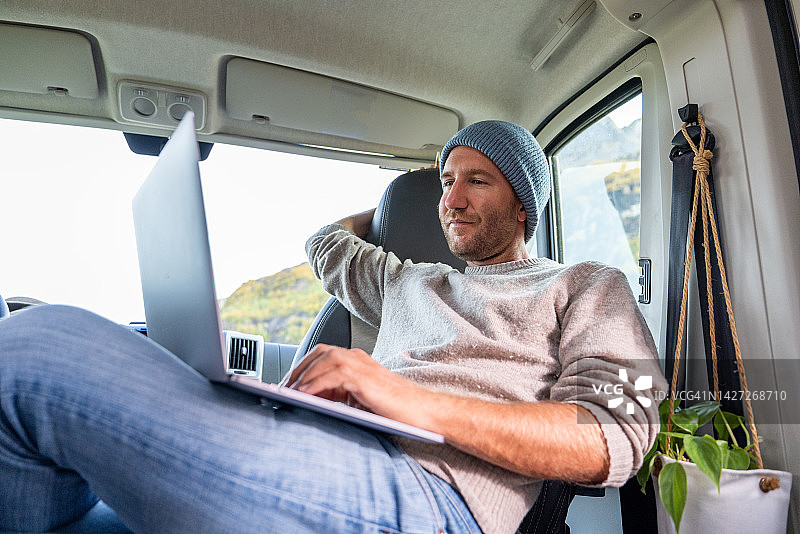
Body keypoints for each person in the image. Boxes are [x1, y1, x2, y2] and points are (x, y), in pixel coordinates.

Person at [0, 121, 666, 534]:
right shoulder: (410, 281)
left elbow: (616, 435)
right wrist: (388, 212)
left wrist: (398, 395)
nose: (451, 199)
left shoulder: (589, 284)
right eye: (444, 182)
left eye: (477, 182)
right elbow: (324, 243)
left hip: (430, 495)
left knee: (36, 353)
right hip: (327, 449)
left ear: (524, 204)